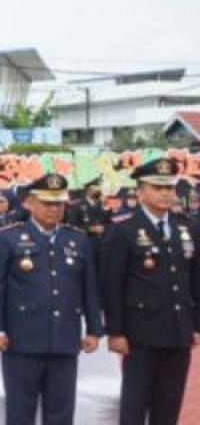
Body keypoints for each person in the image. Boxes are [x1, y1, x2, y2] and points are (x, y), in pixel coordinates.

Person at [0, 173, 102, 425]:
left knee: (61, 411)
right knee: (20, 410)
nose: (54, 209)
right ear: (29, 203)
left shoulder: (77, 238)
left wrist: (94, 329)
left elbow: (89, 288)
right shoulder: (9, 238)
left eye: (59, 203)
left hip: (65, 336)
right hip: (22, 338)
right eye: (47, 202)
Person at [101, 158, 200, 425]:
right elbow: (111, 285)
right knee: (135, 404)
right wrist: (115, 331)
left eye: (169, 187)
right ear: (141, 191)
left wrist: (196, 324)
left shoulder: (187, 227)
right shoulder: (123, 229)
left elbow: (194, 280)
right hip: (140, 333)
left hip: (178, 329)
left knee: (169, 404)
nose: (165, 193)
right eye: (158, 187)